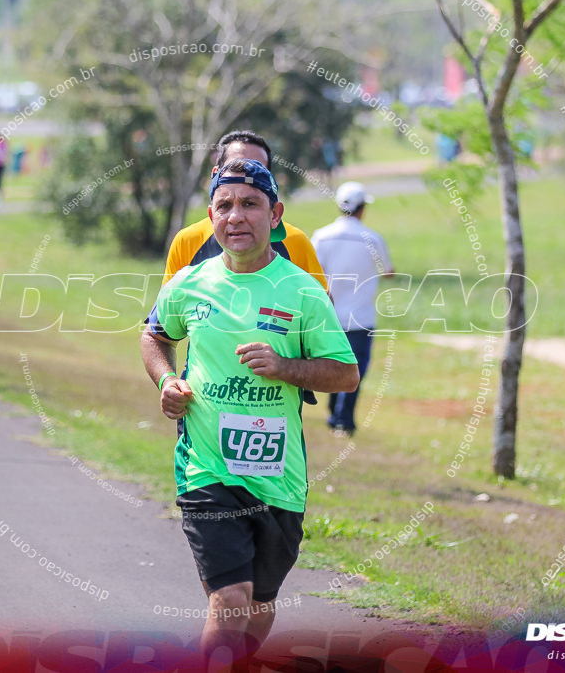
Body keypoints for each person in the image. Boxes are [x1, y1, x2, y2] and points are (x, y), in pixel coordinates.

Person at [141, 159, 358, 663]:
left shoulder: (302, 291)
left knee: (259, 608)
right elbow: (154, 335)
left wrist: (284, 366)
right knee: (231, 599)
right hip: (206, 467)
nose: (236, 217)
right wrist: (167, 379)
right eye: (225, 206)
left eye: (250, 205)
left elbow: (345, 375)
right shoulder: (188, 285)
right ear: (211, 217)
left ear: (275, 213)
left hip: (277, 475)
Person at [163, 130, 327, 292]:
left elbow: (320, 307)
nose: (246, 176)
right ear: (216, 174)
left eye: (258, 170)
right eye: (236, 167)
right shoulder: (188, 241)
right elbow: (166, 311)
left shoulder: (295, 242)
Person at [311, 181, 394, 436]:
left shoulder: (321, 236)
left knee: (333, 363)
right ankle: (343, 420)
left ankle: (335, 411)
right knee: (355, 369)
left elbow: (312, 273)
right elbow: (387, 272)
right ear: (361, 208)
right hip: (361, 317)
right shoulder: (372, 239)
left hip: (329, 316)